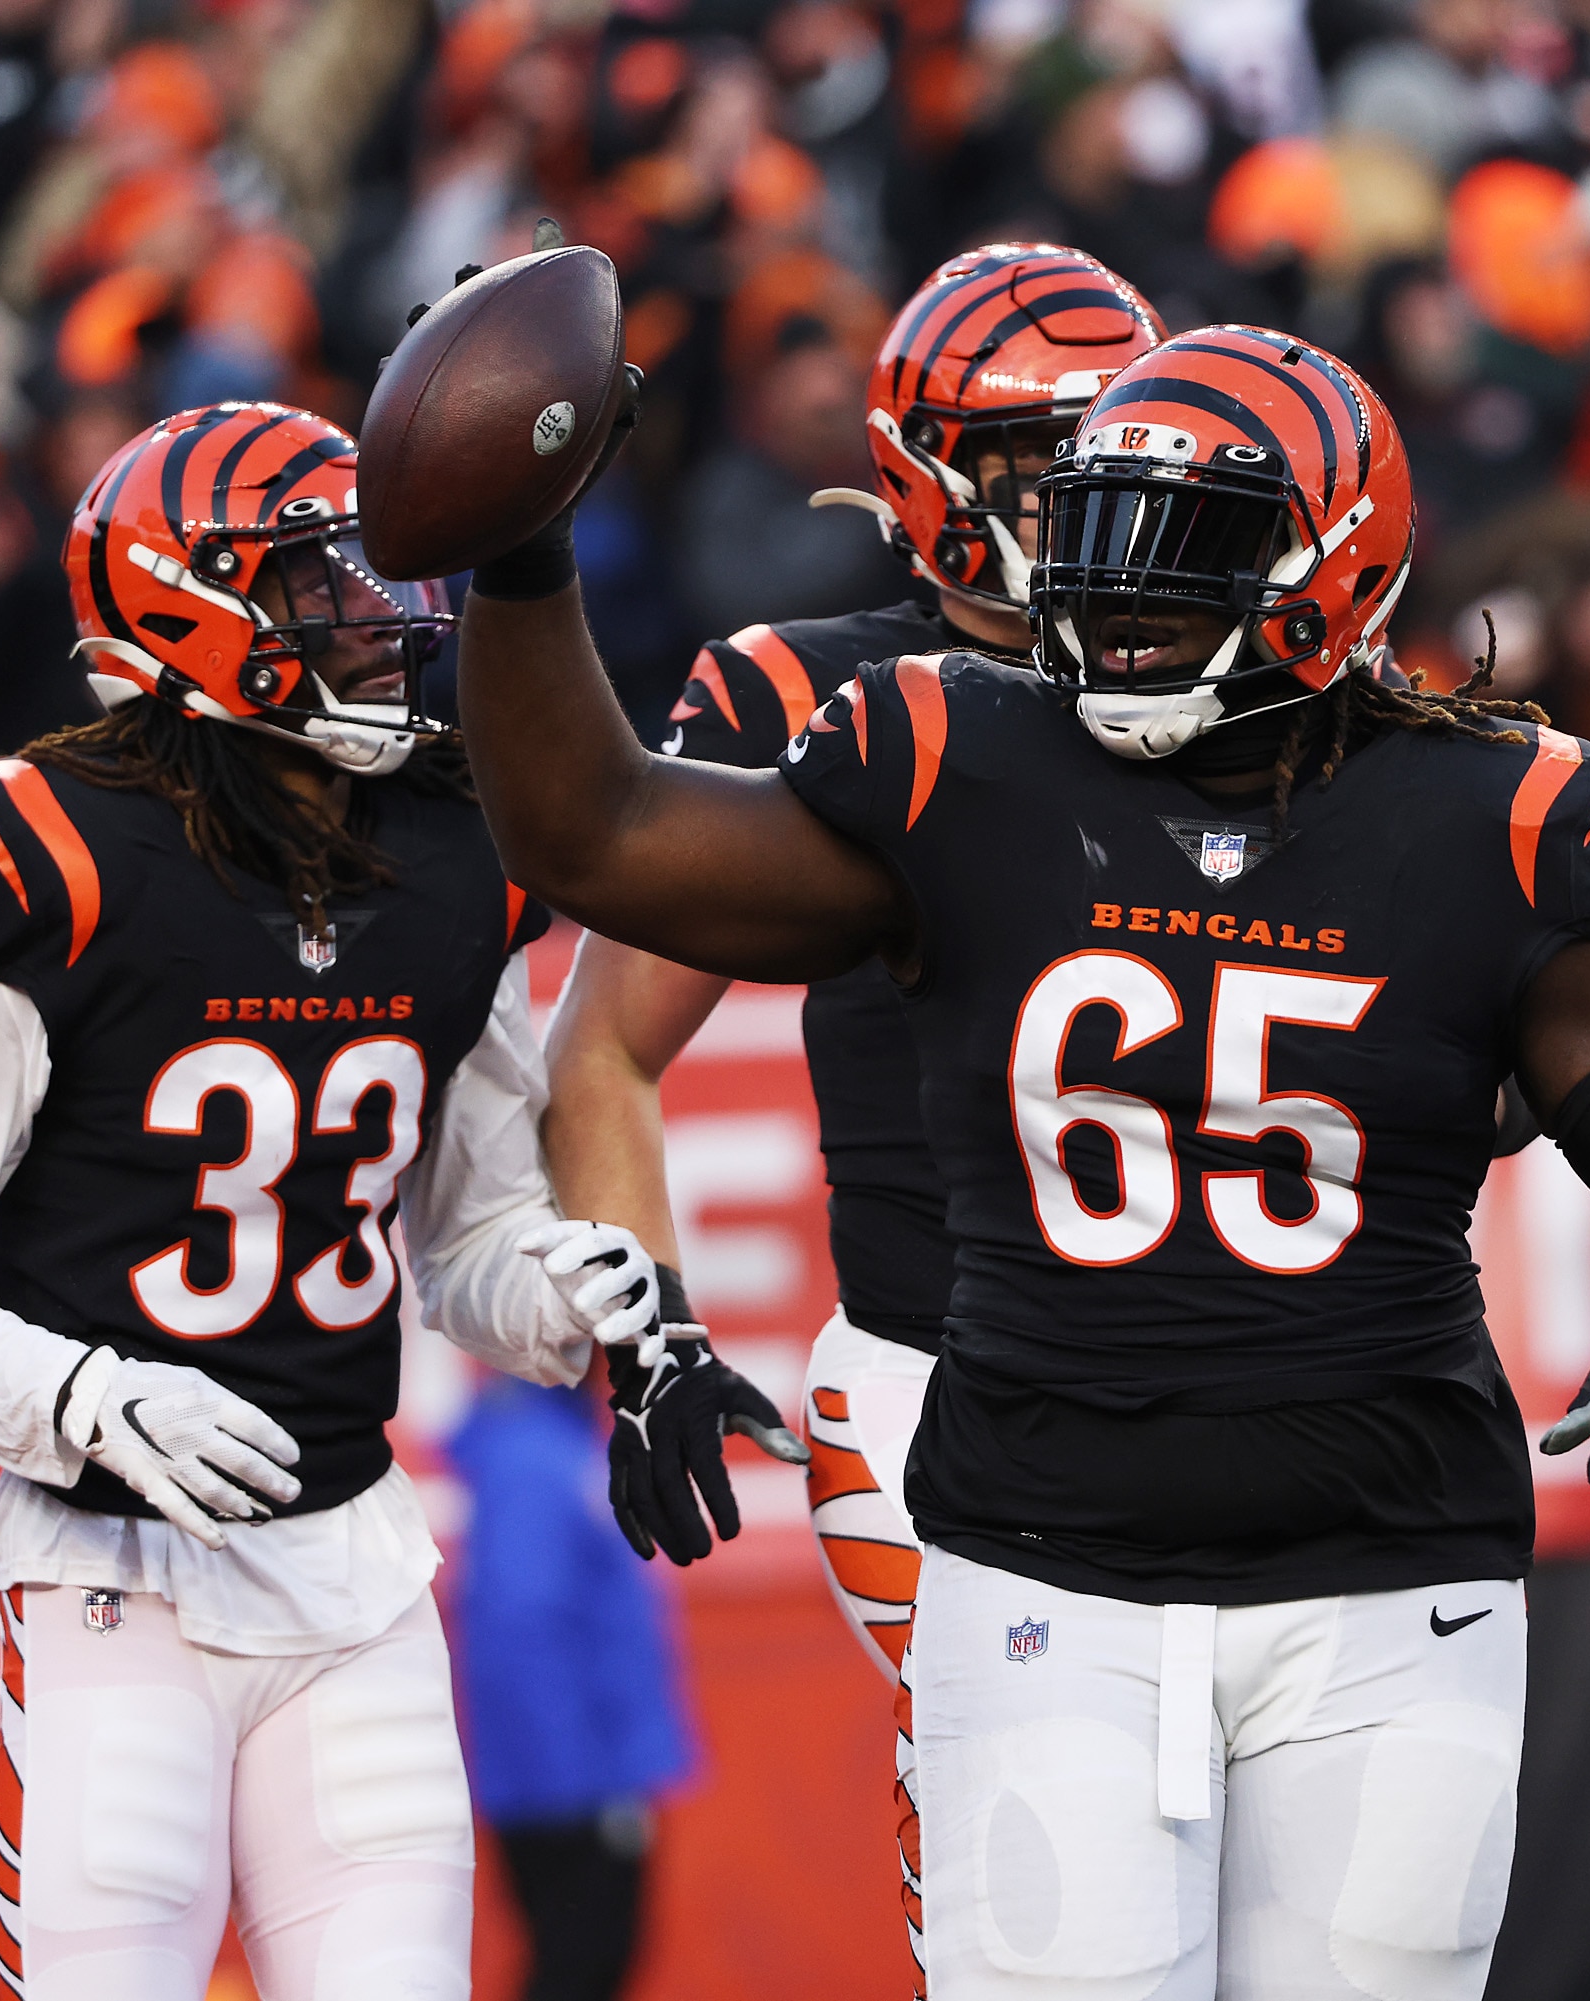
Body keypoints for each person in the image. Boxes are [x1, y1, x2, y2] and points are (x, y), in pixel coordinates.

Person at [444, 324, 1590, 1997]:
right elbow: (598, 834)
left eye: (1185, 547)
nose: (1117, 591)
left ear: (1332, 563)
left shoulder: (1487, 817)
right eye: (1094, 532)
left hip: (1391, 1573)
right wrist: (523, 560)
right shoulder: (959, 758)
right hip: (1041, 1559)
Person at [0, 401, 793, 2001]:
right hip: (111, 1567)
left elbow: (468, 1241)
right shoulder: (61, 851)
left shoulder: (454, 852)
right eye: (326, 583)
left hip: (355, 1568)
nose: (388, 619)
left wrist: (579, 1296)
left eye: (385, 578)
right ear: (193, 609)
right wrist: (86, 1396)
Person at [541, 239, 1165, 1991]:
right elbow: (602, 1052)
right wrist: (649, 1335)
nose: (1097, 510)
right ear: (933, 481)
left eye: (1126, 459)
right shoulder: (808, 691)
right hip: (936, 1381)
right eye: (1048, 467)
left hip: (1230, 1379)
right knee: (1047, 1873)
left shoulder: (1251, 689)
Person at [447, 1371, 699, 2001]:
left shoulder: (547, 1444)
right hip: (572, 1782)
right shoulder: (534, 1457)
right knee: (582, 1964)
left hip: (573, 1773)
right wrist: (580, 1784)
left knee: (586, 1962)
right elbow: (522, 1625)